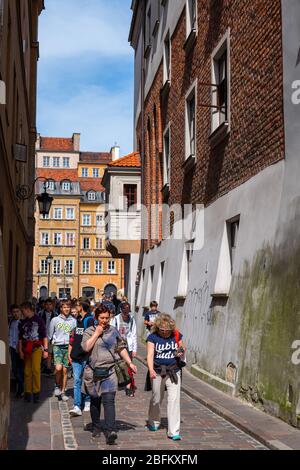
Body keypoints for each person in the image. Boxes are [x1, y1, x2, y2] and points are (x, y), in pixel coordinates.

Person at [81, 305, 137, 445]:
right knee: (95, 400)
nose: (105, 321)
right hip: (93, 372)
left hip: (110, 371)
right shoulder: (89, 331)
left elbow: (121, 348)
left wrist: (129, 363)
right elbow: (86, 347)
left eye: (107, 318)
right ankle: (95, 426)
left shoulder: (113, 331)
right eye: (102, 318)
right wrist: (96, 334)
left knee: (109, 400)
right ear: (96, 318)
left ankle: (111, 430)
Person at [146, 313, 186, 441]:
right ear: (158, 328)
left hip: (173, 371)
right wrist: (151, 369)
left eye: (167, 331)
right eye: (162, 330)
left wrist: (180, 350)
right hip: (157, 371)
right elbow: (150, 354)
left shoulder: (176, 334)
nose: (164, 333)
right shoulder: (153, 337)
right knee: (156, 398)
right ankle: (154, 421)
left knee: (174, 400)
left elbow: (183, 347)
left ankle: (174, 431)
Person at [18, 302, 48, 403]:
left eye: (23, 311)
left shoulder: (39, 320)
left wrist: (46, 350)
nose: (22, 313)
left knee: (36, 370)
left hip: (36, 348)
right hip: (26, 349)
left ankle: (36, 393)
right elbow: (20, 338)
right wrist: (20, 350)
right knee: (27, 371)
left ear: (27, 309)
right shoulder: (23, 322)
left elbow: (44, 336)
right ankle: (27, 392)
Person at [68, 301, 94, 416]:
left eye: (77, 305)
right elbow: (74, 337)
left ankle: (88, 400)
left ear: (82, 307)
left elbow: (91, 338)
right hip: (76, 355)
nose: (75, 307)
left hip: (85, 355)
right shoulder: (78, 319)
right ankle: (77, 405)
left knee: (87, 380)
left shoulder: (89, 320)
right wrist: (70, 352)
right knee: (77, 381)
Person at [49, 300, 76, 401]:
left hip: (68, 346)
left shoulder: (73, 321)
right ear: (61, 308)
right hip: (57, 346)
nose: (66, 309)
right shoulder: (55, 320)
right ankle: (57, 384)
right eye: (64, 307)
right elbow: (50, 334)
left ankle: (63, 391)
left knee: (65, 370)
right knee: (59, 368)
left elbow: (74, 335)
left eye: (68, 307)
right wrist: (48, 348)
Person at [111, 302, 137, 397]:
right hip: (118, 346)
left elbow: (133, 334)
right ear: (121, 310)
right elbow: (112, 332)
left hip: (128, 345)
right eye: (124, 312)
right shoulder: (116, 319)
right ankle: (121, 381)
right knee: (119, 365)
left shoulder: (132, 319)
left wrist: (134, 349)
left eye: (127, 312)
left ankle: (129, 386)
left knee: (129, 366)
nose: (126, 315)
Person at [9, 305, 24, 398]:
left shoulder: (22, 323)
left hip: (20, 349)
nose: (15, 313)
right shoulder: (10, 322)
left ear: (20, 312)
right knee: (14, 369)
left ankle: (20, 390)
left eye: (17, 311)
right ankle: (20, 388)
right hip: (12, 348)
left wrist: (21, 349)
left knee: (20, 370)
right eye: (13, 312)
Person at [39, 298, 57, 374]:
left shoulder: (55, 314)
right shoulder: (40, 314)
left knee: (49, 352)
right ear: (44, 305)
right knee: (41, 351)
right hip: (42, 335)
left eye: (50, 305)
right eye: (47, 304)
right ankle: (41, 366)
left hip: (51, 335)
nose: (48, 306)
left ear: (52, 306)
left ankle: (48, 367)